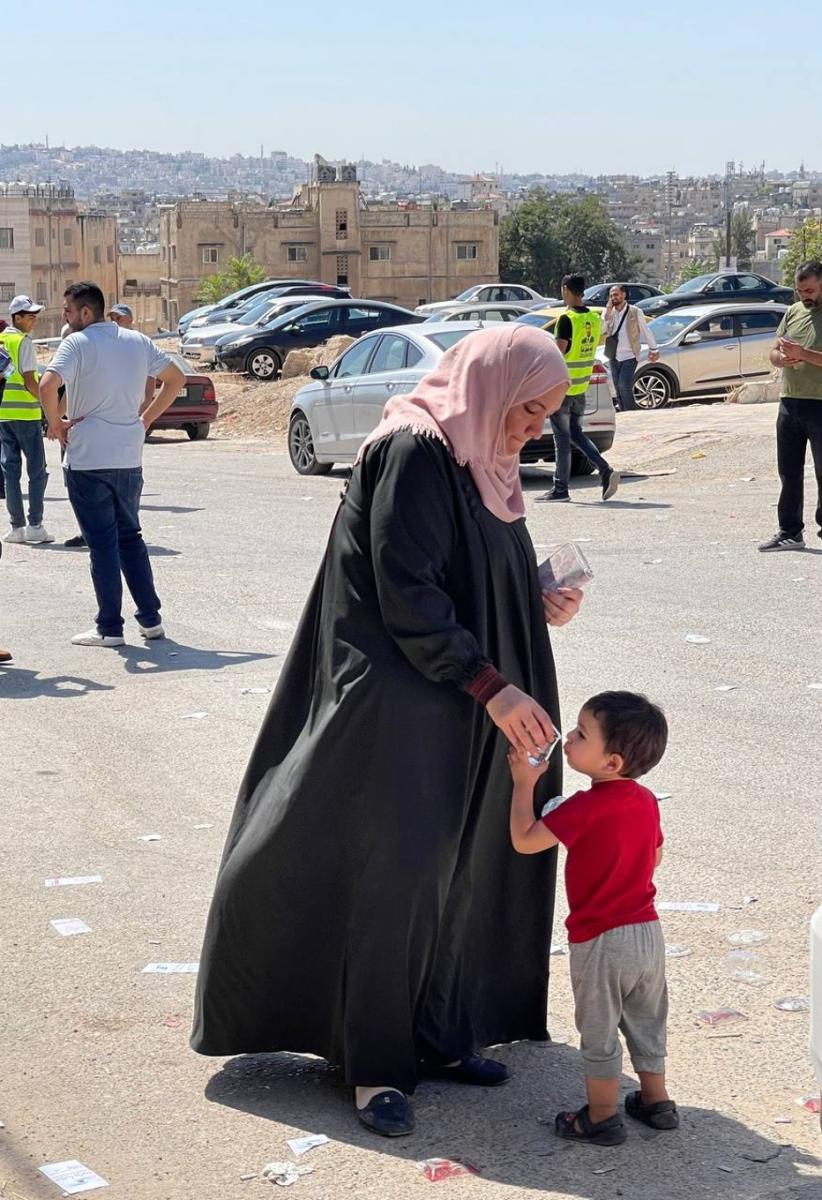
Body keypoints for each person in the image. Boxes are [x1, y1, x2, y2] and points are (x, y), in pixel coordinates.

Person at [192, 324, 584, 1138]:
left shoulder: (482, 456)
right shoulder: (413, 450)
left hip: (467, 697)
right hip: (402, 699)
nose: (535, 427)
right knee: (395, 876)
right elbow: (407, 589)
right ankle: (373, 1065)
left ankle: (439, 1034)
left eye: (547, 413)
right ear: (492, 389)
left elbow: (472, 566)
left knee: (462, 867)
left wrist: (534, 593)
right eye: (529, 409)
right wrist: (490, 683)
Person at [508, 690, 675, 1147]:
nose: (568, 738)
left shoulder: (583, 808)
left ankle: (600, 1116)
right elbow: (656, 856)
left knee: (599, 1030)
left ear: (612, 762)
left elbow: (525, 840)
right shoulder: (646, 801)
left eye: (582, 735)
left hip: (601, 939)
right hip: (647, 933)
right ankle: (656, 1102)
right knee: (646, 1017)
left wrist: (523, 783)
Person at [39, 282, 184, 646]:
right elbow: (176, 379)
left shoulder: (76, 343)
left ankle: (109, 627)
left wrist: (55, 424)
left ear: (86, 312)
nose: (66, 317)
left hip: (88, 458)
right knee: (130, 537)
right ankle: (150, 620)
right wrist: (146, 420)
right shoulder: (138, 341)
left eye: (68, 311)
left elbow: (46, 385)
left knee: (102, 544)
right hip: (128, 456)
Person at [759, 260, 822, 552]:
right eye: (799, 290)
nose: (804, 296)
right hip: (790, 402)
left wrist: (804, 353)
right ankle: (790, 531)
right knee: (789, 472)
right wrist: (781, 359)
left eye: (809, 290)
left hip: (820, 404)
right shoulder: (794, 312)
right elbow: (774, 350)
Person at [543, 275, 619, 502]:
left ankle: (561, 489)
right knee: (575, 434)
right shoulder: (593, 318)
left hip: (563, 389)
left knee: (562, 440)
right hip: (581, 387)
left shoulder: (566, 319)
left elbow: (557, 355)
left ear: (565, 289)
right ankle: (604, 470)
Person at [0, 295, 54, 544]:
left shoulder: (1, 340)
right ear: (17, 317)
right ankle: (35, 525)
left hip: (4, 415)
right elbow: (31, 382)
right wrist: (48, 405)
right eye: (30, 317)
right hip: (26, 415)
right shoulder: (23, 342)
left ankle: (16, 527)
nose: (34, 321)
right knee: (37, 471)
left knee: (10, 472)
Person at [602, 284, 660, 411]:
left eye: (616, 295)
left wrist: (654, 349)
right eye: (611, 295)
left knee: (624, 385)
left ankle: (631, 412)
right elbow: (602, 330)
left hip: (630, 355)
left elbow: (645, 330)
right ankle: (624, 412)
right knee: (618, 388)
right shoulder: (608, 312)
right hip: (614, 356)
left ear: (624, 295)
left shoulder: (635, 311)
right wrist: (607, 314)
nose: (613, 298)